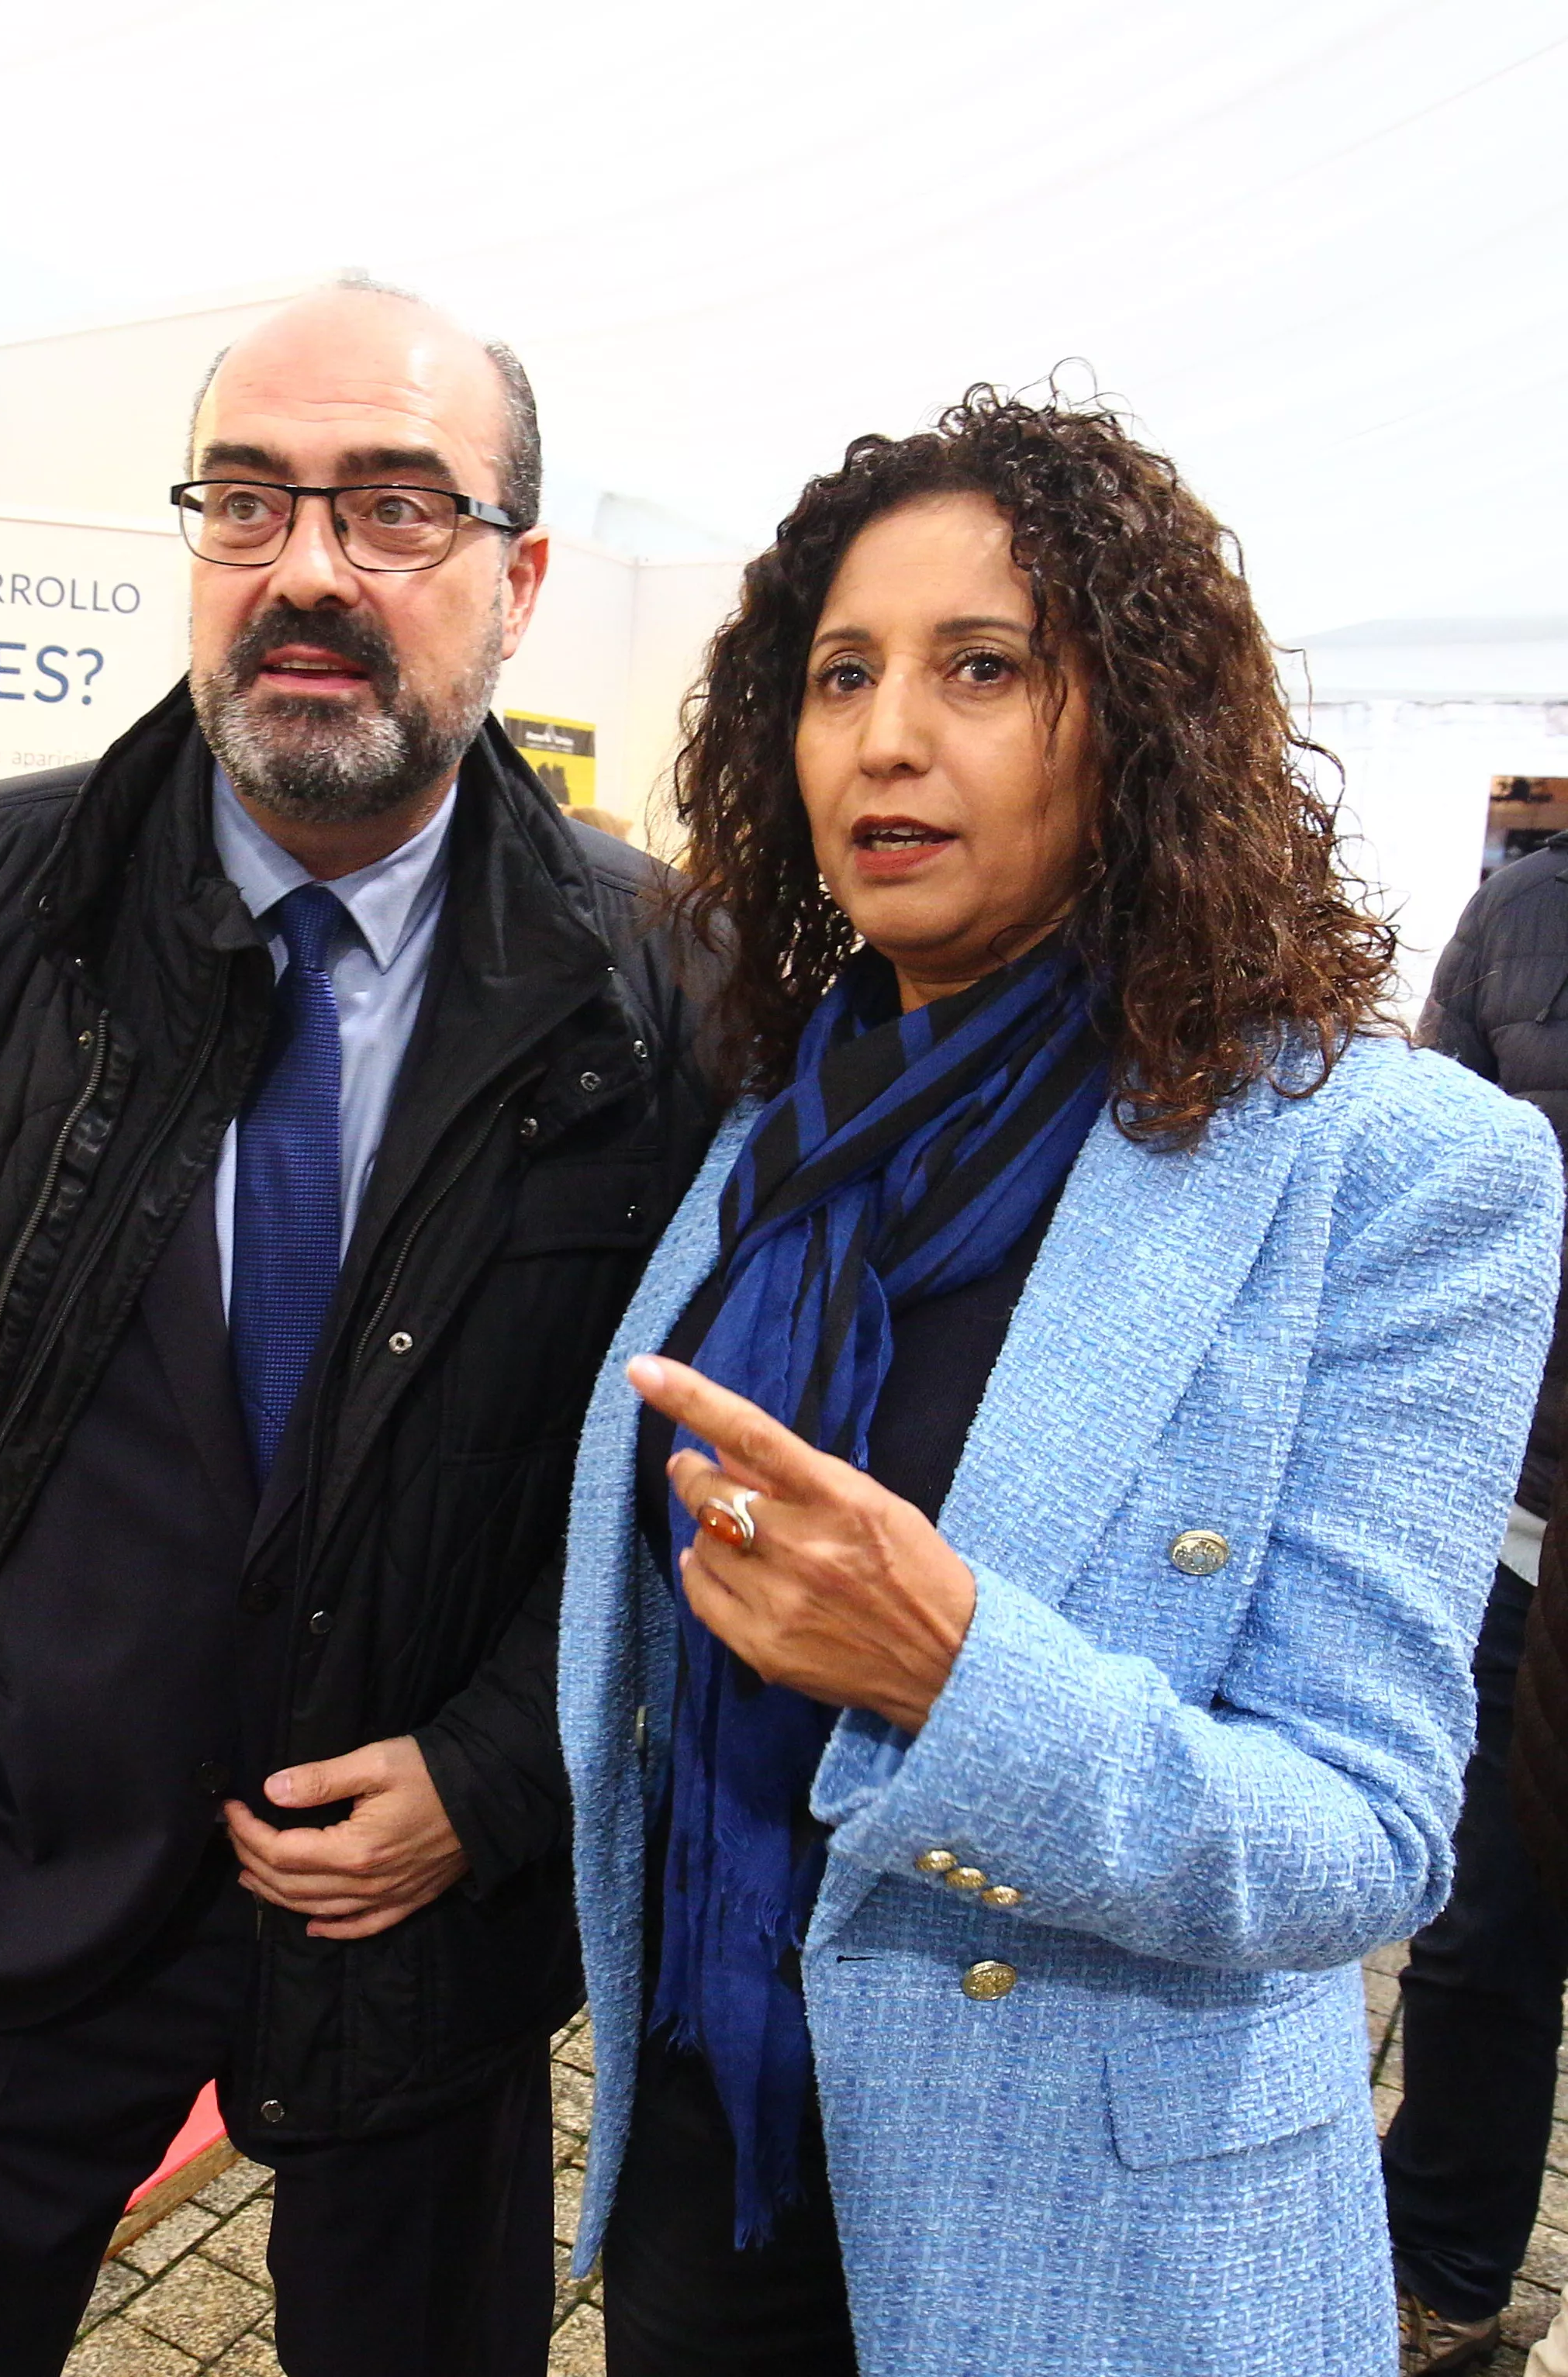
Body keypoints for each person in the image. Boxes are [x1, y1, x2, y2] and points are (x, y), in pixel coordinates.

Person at [0, 278, 715, 2377]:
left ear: (518, 579)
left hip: (419, 1917)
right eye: (246, 504)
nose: (308, 572)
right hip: (11, 1874)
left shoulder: (659, 987)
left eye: (394, 510)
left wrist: (501, 1768)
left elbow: (697, 1455)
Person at [555, 391, 1563, 2376]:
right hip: (715, 2156)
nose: (884, 735)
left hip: (1092, 2244)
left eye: (982, 667)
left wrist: (950, 1677)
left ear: (1141, 729)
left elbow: (1363, 1830)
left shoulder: (1389, 1166)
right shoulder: (771, 1116)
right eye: (837, 672)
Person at [1383, 834, 1568, 2372]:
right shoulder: (1524, 907)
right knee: (1474, 1921)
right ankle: (1441, 2270)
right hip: (1519, 1526)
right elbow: (1429, 1179)